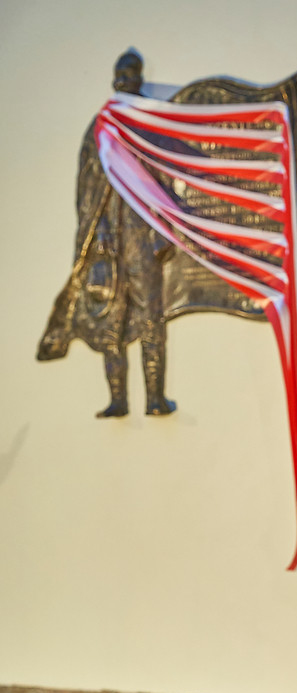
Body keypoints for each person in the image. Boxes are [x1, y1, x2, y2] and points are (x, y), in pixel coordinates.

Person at [37, 49, 176, 417]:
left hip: (142, 236)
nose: (123, 82)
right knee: (109, 319)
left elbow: (166, 178)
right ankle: (118, 399)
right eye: (119, 76)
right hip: (108, 239)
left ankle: (156, 398)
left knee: (151, 317)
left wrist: (163, 231)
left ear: (138, 79)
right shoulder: (100, 129)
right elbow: (87, 187)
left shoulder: (149, 125)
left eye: (129, 76)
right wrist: (97, 230)